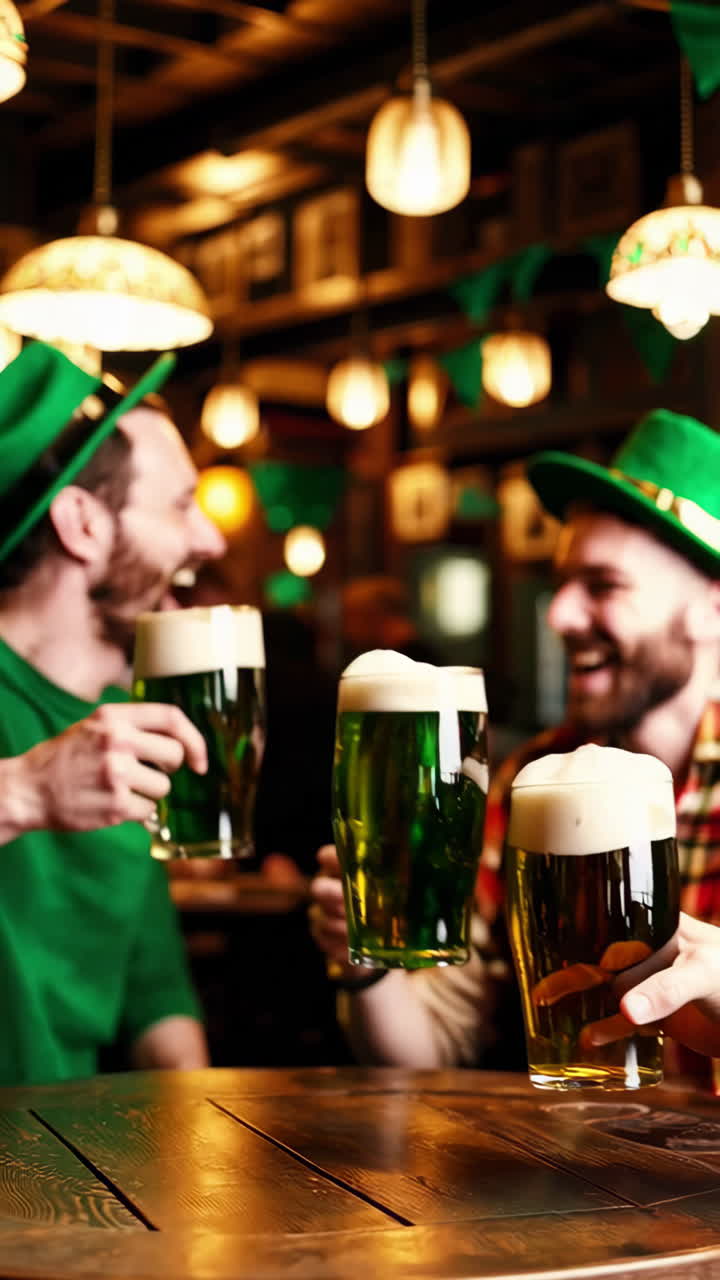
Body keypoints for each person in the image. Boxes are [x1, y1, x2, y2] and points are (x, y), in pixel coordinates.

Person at [310, 408, 720, 1080]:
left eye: (603, 586)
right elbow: (437, 1049)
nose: (559, 615)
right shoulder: (533, 782)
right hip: (570, 1173)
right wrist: (366, 960)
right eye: (561, 584)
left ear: (713, 607)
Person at [0, 341, 226, 1085]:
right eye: (182, 505)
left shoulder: (125, 723)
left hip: (68, 1172)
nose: (212, 539)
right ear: (82, 522)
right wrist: (24, 792)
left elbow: (154, 996)